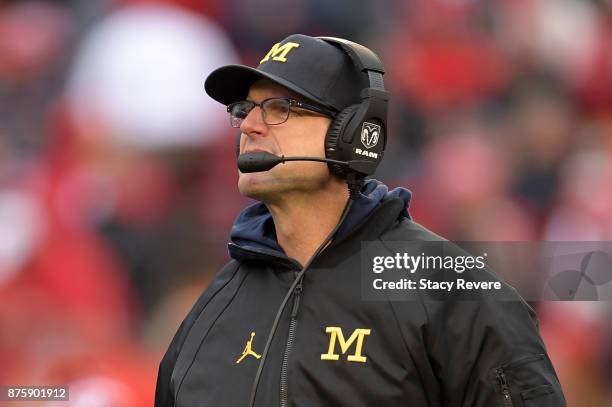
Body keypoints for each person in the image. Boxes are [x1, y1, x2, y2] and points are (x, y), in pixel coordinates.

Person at [155, 34, 567, 406]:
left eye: (279, 108)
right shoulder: (213, 310)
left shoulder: (449, 291)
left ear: (351, 134)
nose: (249, 126)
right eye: (245, 109)